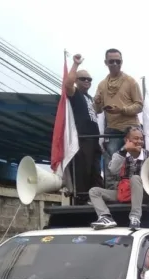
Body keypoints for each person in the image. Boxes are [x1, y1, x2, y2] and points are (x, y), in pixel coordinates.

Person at [94, 48, 143, 189]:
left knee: (135, 159)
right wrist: (97, 102)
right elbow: (97, 110)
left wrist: (121, 110)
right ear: (106, 62)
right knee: (112, 161)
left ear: (122, 62)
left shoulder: (130, 81)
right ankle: (113, 192)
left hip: (131, 127)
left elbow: (139, 105)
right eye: (111, 61)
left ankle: (137, 189)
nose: (115, 64)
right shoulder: (102, 85)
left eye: (118, 61)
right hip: (112, 128)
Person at [89, 127, 148, 229]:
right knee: (94, 191)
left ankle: (135, 217)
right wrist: (123, 150)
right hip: (123, 192)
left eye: (141, 139)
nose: (139, 141)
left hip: (142, 194)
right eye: (136, 138)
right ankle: (105, 217)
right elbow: (113, 170)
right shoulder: (119, 154)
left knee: (135, 178)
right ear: (127, 140)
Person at [63, 54, 102, 202]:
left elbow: (97, 113)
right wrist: (75, 64)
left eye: (89, 79)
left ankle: (97, 199)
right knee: (82, 170)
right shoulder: (75, 94)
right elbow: (67, 85)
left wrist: (98, 102)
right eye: (83, 79)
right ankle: (81, 199)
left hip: (94, 139)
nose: (87, 81)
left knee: (96, 171)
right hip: (82, 138)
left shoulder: (89, 98)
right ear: (77, 81)